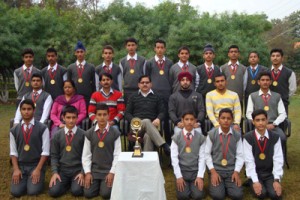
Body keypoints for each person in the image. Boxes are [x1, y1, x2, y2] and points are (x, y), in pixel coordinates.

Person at [10, 99, 50, 197]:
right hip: (21, 166)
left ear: (34, 110)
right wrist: (16, 169)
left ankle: (36, 177)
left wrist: (38, 169)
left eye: (29, 109)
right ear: (20, 111)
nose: (26, 111)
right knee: (16, 192)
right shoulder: (13, 130)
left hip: (36, 165)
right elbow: (13, 152)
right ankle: (25, 179)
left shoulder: (43, 128)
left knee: (33, 191)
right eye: (23, 109)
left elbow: (45, 152)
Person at [82, 104, 121, 199]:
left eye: (104, 114)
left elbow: (117, 155)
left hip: (108, 170)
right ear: (95, 116)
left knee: (105, 194)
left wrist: (112, 172)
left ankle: (104, 185)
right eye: (99, 115)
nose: (102, 117)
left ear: (109, 116)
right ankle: (98, 184)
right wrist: (87, 173)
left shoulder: (115, 133)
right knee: (88, 194)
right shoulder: (89, 133)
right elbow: (86, 155)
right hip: (94, 170)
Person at [244, 109, 283, 200]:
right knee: (262, 194)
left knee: (275, 195)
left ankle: (268, 182)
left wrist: (277, 179)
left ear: (267, 120)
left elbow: (278, 159)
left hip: (269, 173)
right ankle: (250, 181)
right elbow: (249, 161)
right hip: (256, 173)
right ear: (253, 122)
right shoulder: (248, 138)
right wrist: (255, 181)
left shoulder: (275, 137)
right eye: (257, 120)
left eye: (263, 119)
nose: (261, 123)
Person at [205, 108, 244, 200]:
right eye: (223, 118)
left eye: (228, 118)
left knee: (237, 195)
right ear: (218, 120)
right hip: (216, 169)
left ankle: (227, 184)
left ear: (232, 120)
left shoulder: (237, 135)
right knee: (218, 196)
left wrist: (236, 172)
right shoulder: (211, 134)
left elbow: (240, 155)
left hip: (231, 170)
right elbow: (206, 154)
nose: (226, 120)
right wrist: (213, 172)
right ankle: (220, 185)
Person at [125, 75, 170, 154]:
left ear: (151, 84)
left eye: (147, 82)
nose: (145, 84)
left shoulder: (157, 96)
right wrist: (135, 121)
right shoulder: (133, 97)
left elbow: (163, 112)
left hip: (152, 126)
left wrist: (158, 119)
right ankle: (163, 144)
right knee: (145, 121)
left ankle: (145, 161)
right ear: (139, 85)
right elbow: (127, 113)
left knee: (148, 136)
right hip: (136, 127)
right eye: (142, 82)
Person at [246, 71, 287, 157]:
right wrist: (257, 123)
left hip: (273, 126)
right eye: (263, 80)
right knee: (250, 138)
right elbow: (249, 113)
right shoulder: (252, 96)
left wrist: (274, 124)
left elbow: (283, 113)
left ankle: (278, 158)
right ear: (258, 82)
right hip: (258, 126)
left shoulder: (277, 96)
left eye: (267, 80)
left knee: (282, 138)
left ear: (270, 82)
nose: (265, 82)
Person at [49, 105, 85, 197]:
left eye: (73, 117)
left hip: (77, 170)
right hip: (63, 170)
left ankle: (73, 184)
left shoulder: (83, 135)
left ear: (77, 118)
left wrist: (82, 172)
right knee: (54, 192)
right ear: (63, 118)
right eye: (68, 117)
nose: (71, 120)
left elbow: (87, 156)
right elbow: (54, 156)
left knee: (76, 192)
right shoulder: (57, 135)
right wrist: (55, 172)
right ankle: (67, 184)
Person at [171, 111, 206, 200]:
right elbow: (174, 158)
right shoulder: (176, 137)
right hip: (182, 171)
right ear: (182, 121)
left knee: (198, 196)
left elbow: (202, 158)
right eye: (186, 119)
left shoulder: (201, 138)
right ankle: (187, 187)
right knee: (183, 196)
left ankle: (194, 187)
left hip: (195, 171)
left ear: (195, 121)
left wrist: (200, 176)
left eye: (191, 119)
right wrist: (179, 176)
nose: (189, 122)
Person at [146, 39, 173, 144]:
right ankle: (155, 143)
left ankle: (168, 144)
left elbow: (171, 79)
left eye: (162, 47)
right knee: (154, 119)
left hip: (167, 94)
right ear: (154, 49)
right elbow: (147, 79)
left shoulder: (170, 62)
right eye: (158, 47)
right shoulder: (149, 62)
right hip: (154, 95)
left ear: (165, 49)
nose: (160, 50)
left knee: (166, 120)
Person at [268, 48, 297, 115]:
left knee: (282, 124)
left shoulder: (289, 73)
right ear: (270, 58)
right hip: (268, 103)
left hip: (283, 103)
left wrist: (284, 97)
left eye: (278, 56)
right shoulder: (266, 72)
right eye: (273, 56)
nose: (275, 58)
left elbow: (292, 89)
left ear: (282, 58)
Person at [67, 41, 96, 106]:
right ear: (75, 53)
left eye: (81, 52)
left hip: (88, 96)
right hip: (74, 96)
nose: (80, 54)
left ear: (85, 52)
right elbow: (68, 83)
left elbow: (94, 83)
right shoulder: (70, 67)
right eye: (78, 52)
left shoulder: (91, 67)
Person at [119, 38, 147, 103]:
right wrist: (121, 91)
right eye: (128, 45)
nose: (131, 47)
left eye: (133, 45)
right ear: (126, 47)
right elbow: (120, 78)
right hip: (127, 91)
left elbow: (145, 76)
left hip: (140, 90)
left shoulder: (143, 60)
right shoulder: (122, 61)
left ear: (136, 46)